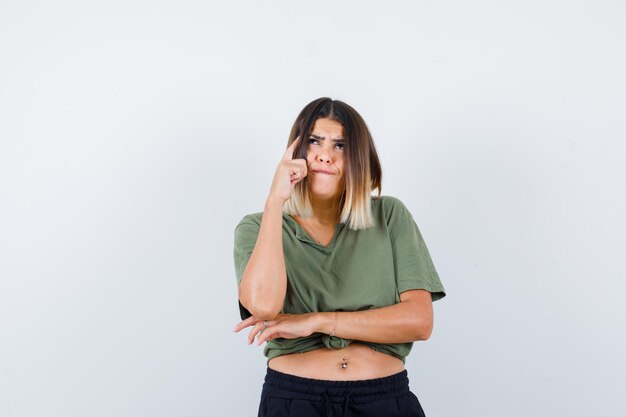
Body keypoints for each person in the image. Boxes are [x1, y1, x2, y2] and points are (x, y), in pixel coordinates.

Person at [232, 97, 446, 417]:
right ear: (297, 150)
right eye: (314, 141)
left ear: (358, 158)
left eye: (341, 146)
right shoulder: (257, 227)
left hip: (383, 400)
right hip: (295, 401)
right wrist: (275, 200)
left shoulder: (389, 216)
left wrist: (316, 322)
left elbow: (419, 321)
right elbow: (263, 306)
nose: (325, 155)